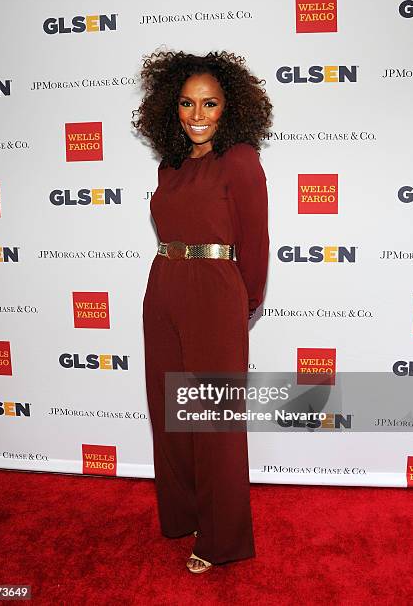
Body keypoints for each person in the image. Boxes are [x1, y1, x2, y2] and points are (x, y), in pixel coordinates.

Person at [132, 49, 272, 573]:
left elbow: (255, 244)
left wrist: (244, 302)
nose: (196, 115)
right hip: (163, 285)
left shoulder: (239, 160)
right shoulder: (170, 164)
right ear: (172, 106)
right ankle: (184, 514)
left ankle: (221, 538)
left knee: (212, 419)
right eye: (187, 104)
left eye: (209, 104)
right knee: (169, 413)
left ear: (228, 108)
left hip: (215, 289)